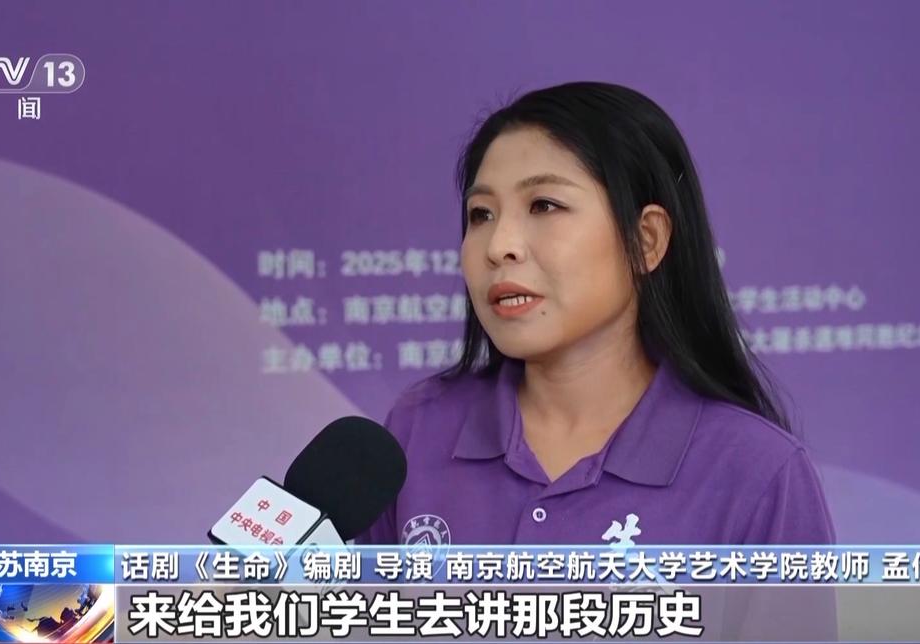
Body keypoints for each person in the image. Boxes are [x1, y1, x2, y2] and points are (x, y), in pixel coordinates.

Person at [357, 81, 836, 550]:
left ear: (646, 240)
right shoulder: (417, 431)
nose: (499, 246)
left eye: (544, 205)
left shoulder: (757, 473)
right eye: (481, 214)